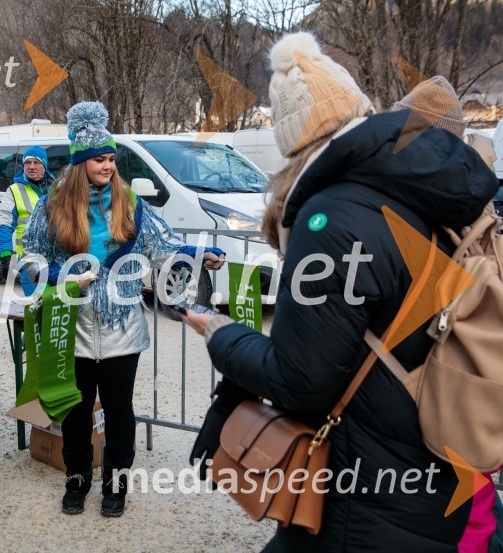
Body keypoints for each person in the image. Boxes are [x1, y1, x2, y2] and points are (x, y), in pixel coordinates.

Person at [182, 33, 498, 552]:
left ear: (291, 142)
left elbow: (301, 380)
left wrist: (222, 335)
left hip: (362, 497)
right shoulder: (412, 194)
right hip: (425, 470)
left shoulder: (329, 217)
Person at [23, 101, 225, 518]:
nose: (109, 166)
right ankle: (77, 481)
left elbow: (162, 246)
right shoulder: (53, 207)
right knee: (76, 414)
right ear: (81, 163)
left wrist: (198, 253)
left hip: (122, 330)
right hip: (73, 328)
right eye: (100, 159)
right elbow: (30, 262)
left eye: (113, 159)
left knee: (119, 412)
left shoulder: (130, 203)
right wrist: (63, 277)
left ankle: (116, 486)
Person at [0, 145, 55, 294]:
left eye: (37, 163)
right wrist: (5, 258)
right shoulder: (14, 191)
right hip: (30, 265)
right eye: (27, 163)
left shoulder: (56, 190)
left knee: (55, 313)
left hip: (57, 263)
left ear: (45, 165)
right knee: (34, 312)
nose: (32, 167)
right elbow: (4, 226)